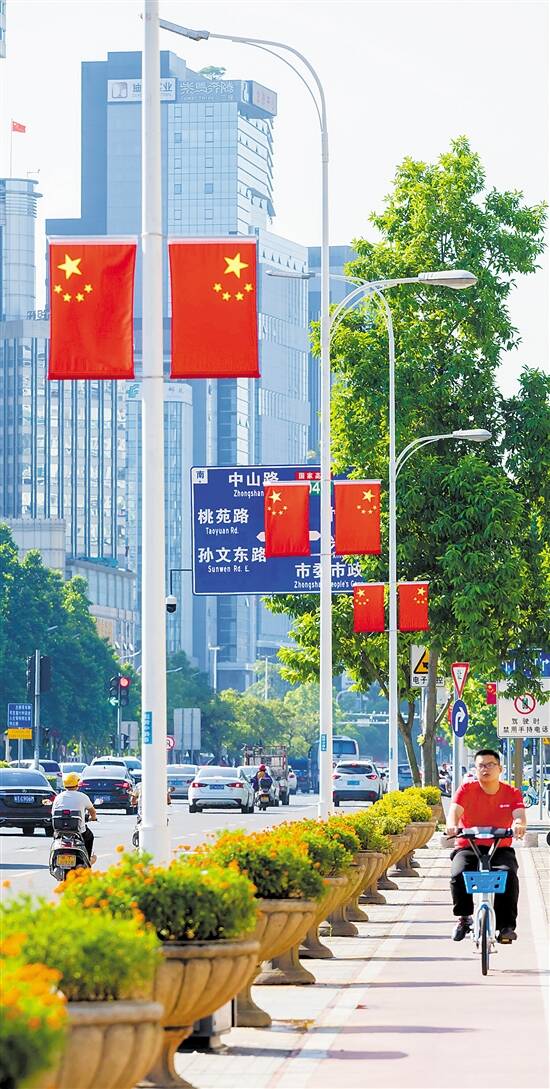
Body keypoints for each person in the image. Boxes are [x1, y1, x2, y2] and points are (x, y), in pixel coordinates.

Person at [446, 748, 526, 944]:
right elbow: (454, 812)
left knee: (508, 875)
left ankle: (506, 927)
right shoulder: (466, 790)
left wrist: (519, 825)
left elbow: (519, 816)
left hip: (500, 848)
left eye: (491, 765)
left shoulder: (511, 792)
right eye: (481, 765)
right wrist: (452, 825)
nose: (486, 769)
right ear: (475, 769)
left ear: (500, 768)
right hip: (468, 846)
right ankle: (464, 918)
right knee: (458, 874)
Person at [52, 772, 97, 863]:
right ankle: (88, 859)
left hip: (60, 830)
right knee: (89, 837)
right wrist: (93, 818)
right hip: (79, 831)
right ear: (77, 784)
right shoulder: (82, 796)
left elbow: (53, 812)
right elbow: (92, 811)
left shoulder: (58, 797)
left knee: (56, 839)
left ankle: (55, 859)